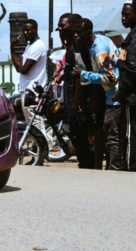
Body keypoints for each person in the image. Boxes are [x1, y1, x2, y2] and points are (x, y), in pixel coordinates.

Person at [73, 18, 122, 170]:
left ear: (88, 31)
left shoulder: (98, 49)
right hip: (114, 94)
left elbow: (110, 77)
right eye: (74, 33)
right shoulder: (100, 40)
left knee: (113, 137)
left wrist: (84, 74)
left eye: (79, 32)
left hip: (114, 97)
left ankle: (116, 170)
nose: (76, 36)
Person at [56, 13, 94, 169]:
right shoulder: (71, 47)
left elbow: (83, 74)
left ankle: (89, 164)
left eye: (63, 25)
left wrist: (78, 101)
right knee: (75, 132)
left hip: (83, 99)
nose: (60, 29)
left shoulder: (82, 47)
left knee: (83, 133)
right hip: (73, 98)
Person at [11, 19, 47, 120]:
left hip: (33, 91)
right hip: (26, 90)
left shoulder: (38, 46)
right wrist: (12, 47)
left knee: (36, 124)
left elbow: (24, 69)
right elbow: (19, 67)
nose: (25, 33)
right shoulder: (29, 46)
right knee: (31, 124)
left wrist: (21, 67)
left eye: (28, 30)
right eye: (24, 30)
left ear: (35, 30)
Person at [114, 1, 136, 170]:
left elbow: (131, 67)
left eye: (127, 15)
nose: (123, 18)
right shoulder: (129, 37)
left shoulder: (133, 37)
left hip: (131, 97)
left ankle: (129, 168)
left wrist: (121, 91)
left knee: (130, 135)